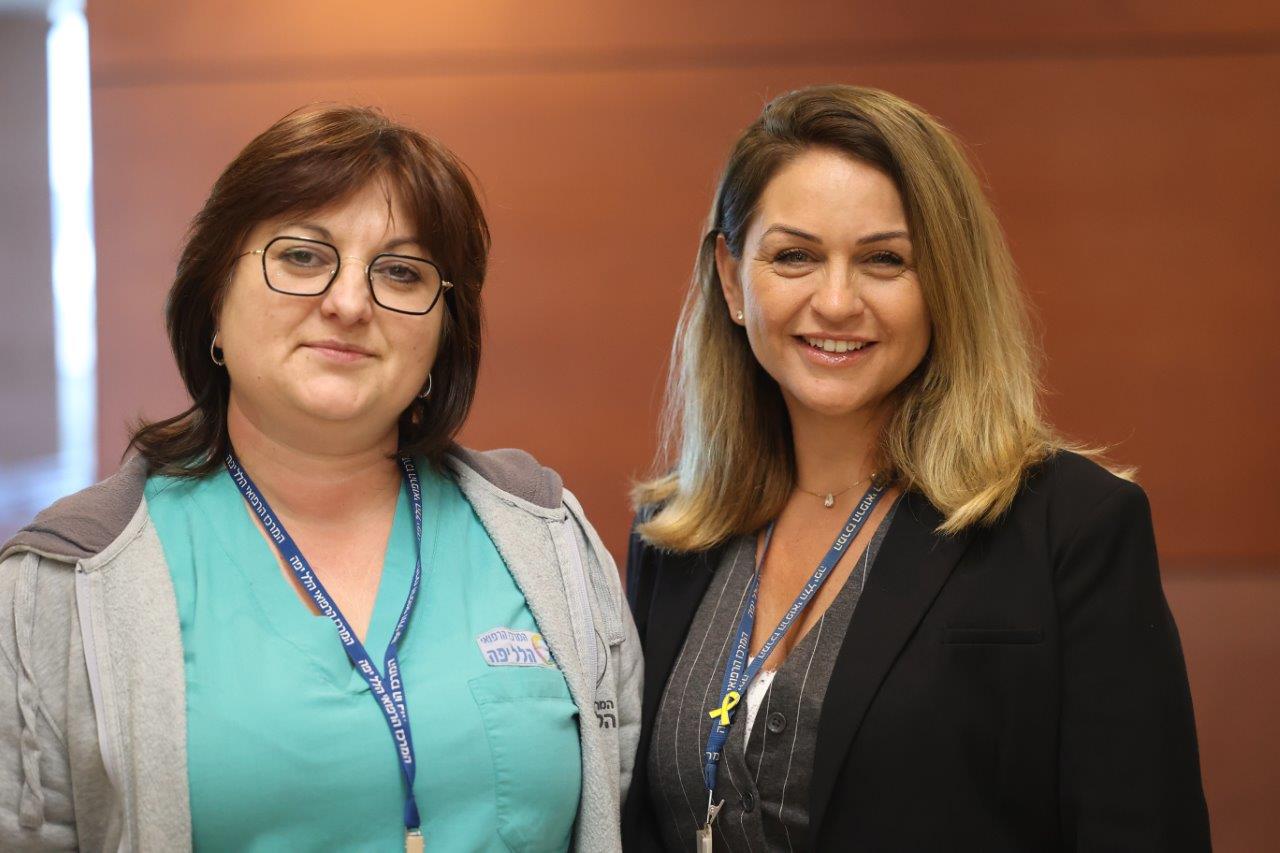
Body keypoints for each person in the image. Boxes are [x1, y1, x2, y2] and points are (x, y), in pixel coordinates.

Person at [0, 105, 641, 852]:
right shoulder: (67, 579)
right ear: (214, 297)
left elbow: (623, 798)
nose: (349, 303)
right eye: (303, 256)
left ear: (444, 332)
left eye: (400, 272)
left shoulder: (548, 541)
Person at [622, 85, 1210, 851]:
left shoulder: (1071, 527)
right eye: (795, 256)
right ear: (732, 279)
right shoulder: (673, 536)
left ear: (946, 283)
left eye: (885, 260)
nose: (837, 301)